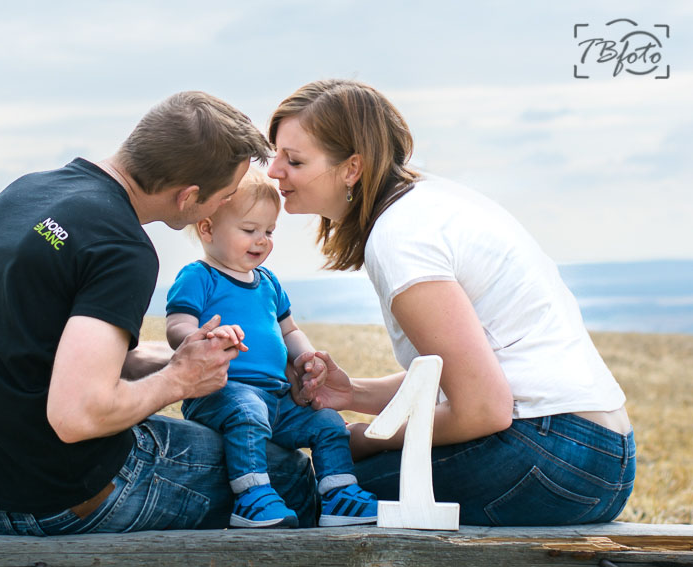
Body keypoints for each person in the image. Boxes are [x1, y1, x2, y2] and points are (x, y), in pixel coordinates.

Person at [0, 91, 319, 536]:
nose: (225, 205)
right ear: (189, 197)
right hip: (75, 494)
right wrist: (179, 380)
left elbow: (52, 357)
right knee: (288, 475)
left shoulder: (26, 193)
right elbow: (78, 415)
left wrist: (188, 360)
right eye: (226, 195)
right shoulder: (121, 245)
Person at [266, 79, 636, 526]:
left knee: (316, 493)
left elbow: (482, 408)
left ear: (352, 168)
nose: (274, 171)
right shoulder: (430, 202)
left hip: (548, 455)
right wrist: (353, 393)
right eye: (276, 155)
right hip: (602, 458)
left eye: (294, 160)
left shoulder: (399, 237)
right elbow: (464, 376)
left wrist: (370, 438)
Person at [165, 168, 378, 529]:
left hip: (277, 398)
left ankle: (338, 494)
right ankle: (251, 496)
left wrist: (307, 357)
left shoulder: (268, 282)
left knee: (327, 421)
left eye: (269, 231)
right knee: (247, 410)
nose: (261, 240)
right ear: (207, 229)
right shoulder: (199, 275)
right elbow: (176, 325)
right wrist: (205, 336)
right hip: (220, 392)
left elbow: (289, 329)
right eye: (249, 230)